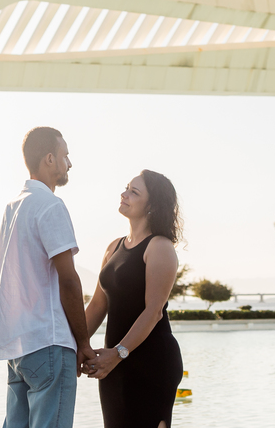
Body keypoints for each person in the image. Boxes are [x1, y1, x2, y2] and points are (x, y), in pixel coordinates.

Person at [0, 127, 95, 428]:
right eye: (65, 156)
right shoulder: (50, 205)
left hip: (18, 348)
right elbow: (69, 280)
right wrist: (83, 343)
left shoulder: (13, 207)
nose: (69, 163)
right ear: (49, 159)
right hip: (48, 342)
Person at [85, 170, 184, 428]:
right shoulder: (113, 247)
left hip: (151, 363)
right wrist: (73, 345)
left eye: (134, 192)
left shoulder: (160, 247)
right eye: (126, 188)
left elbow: (154, 311)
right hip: (114, 363)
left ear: (151, 205)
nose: (124, 194)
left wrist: (117, 353)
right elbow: (97, 306)